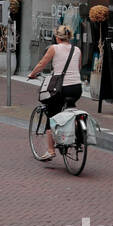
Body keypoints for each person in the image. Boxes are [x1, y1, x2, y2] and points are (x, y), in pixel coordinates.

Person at [26, 25, 84, 161]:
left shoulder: (54, 48)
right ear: (69, 37)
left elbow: (42, 64)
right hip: (76, 87)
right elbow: (78, 68)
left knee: (52, 115)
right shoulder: (77, 50)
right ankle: (78, 134)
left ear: (57, 37)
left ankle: (51, 151)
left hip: (61, 88)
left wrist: (32, 74)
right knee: (70, 109)